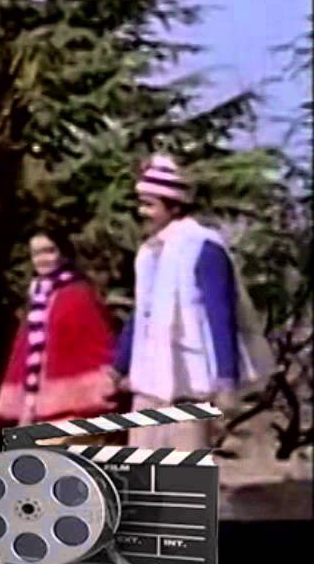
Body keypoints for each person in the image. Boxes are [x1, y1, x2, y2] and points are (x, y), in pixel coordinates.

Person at [110, 154, 276, 449]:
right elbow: (143, 310)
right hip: (149, 380)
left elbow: (220, 314)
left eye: (150, 205)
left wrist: (226, 379)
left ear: (174, 206)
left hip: (190, 381)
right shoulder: (150, 250)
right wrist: (119, 365)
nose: (142, 212)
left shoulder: (202, 246)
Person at [0, 229, 122, 445]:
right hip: (39, 411)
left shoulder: (78, 294)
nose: (42, 259)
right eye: (36, 254)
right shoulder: (37, 297)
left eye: (49, 251)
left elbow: (97, 344)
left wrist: (99, 387)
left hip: (75, 410)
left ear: (63, 254)